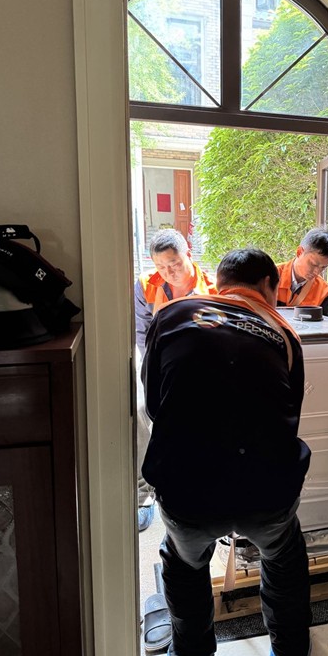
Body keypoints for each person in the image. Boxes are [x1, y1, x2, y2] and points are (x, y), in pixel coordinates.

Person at [141, 248, 312, 656]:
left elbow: (155, 404)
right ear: (269, 287)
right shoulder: (283, 331)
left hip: (188, 489)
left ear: (219, 284)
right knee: (284, 556)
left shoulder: (172, 315)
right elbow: (290, 412)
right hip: (266, 490)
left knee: (184, 563)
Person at [134, 228, 217, 532]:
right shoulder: (145, 285)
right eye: (160, 267)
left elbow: (216, 342)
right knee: (140, 409)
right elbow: (141, 333)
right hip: (158, 363)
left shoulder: (212, 289)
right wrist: (155, 371)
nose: (168, 273)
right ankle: (144, 494)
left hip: (199, 368)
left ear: (188, 256)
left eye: (174, 264)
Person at [276, 228, 328, 316]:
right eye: (313, 264)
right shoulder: (269, 275)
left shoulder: (324, 292)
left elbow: (320, 324)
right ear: (299, 252)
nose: (317, 272)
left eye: (323, 267)